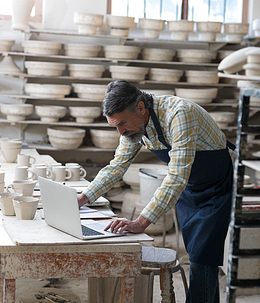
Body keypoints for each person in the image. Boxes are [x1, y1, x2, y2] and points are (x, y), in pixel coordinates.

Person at [77, 80, 235, 302]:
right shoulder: (134, 128)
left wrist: (141, 222)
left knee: (202, 257)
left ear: (141, 108)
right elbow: (117, 166)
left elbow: (177, 176)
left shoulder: (180, 114)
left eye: (122, 123)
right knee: (196, 253)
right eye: (115, 126)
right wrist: (82, 198)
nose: (120, 132)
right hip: (190, 187)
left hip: (217, 185)